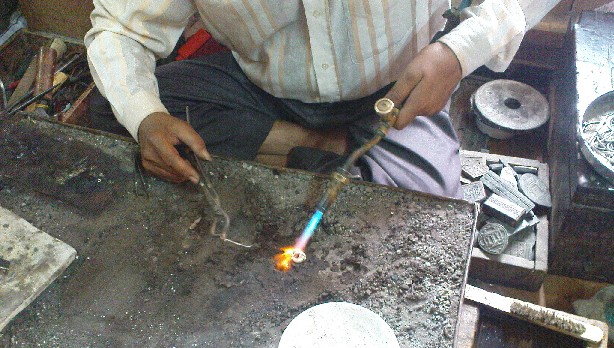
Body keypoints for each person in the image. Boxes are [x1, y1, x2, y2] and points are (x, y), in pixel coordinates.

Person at [85, 0, 559, 199]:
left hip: (392, 94)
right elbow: (121, 28)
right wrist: (146, 116)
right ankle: (332, 148)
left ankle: (318, 150)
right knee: (117, 109)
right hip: (258, 86)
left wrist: (460, 51)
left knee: (427, 203)